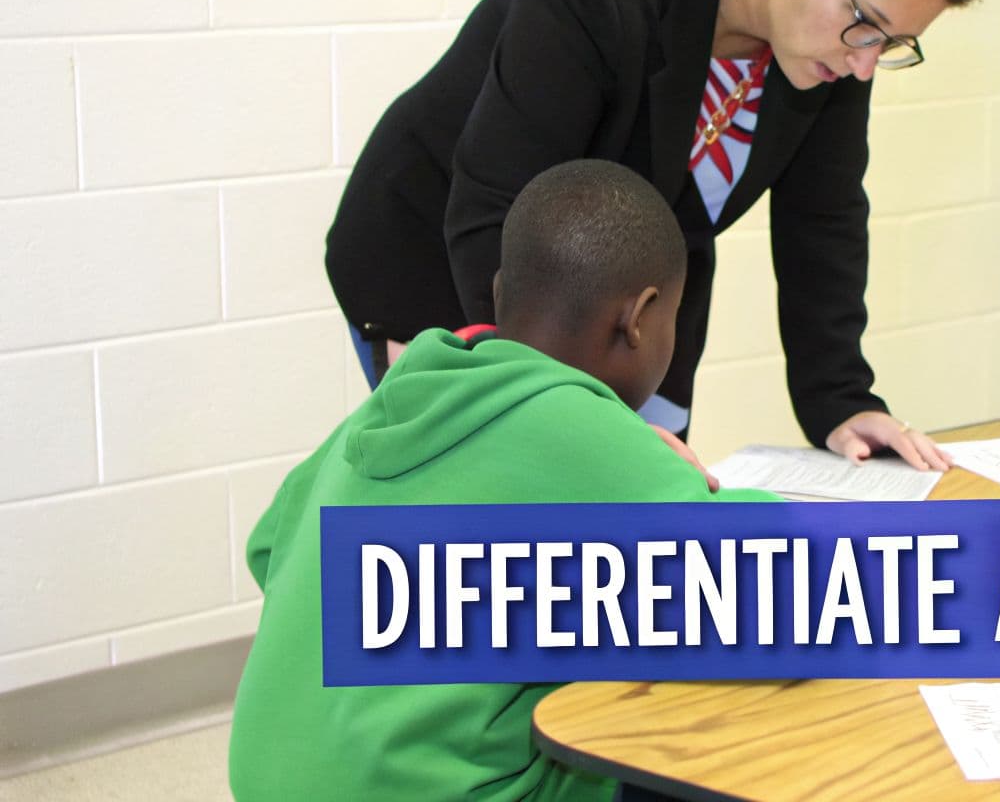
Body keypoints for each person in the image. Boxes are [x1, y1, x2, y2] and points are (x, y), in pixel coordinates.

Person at [326, 0, 979, 471]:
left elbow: (824, 219)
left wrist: (840, 400)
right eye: (864, 25)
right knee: (492, 528)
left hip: (625, 309)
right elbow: (496, 205)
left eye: (893, 44)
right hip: (453, 265)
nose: (866, 63)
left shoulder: (829, 50)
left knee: (636, 523)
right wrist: (578, 419)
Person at [230, 160, 782, 801]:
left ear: (500, 292)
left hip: (266, 782)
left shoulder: (411, 390)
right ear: (640, 317)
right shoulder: (578, 425)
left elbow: (268, 549)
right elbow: (790, 578)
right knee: (704, 737)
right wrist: (697, 486)